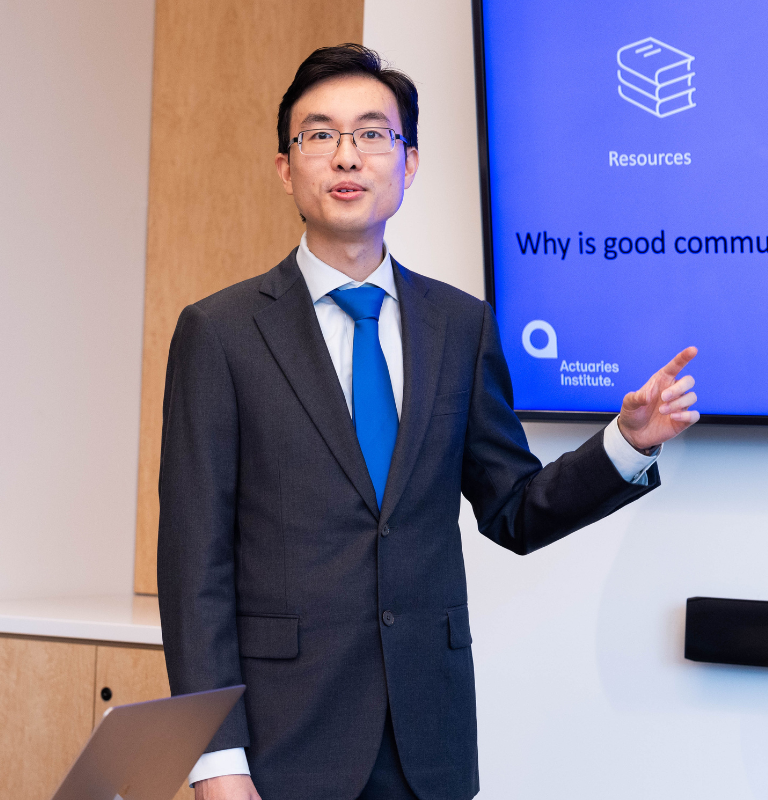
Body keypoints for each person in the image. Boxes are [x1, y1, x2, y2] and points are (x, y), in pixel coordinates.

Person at [157, 44, 699, 800]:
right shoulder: (220, 334)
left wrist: (626, 445)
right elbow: (194, 569)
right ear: (286, 167)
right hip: (283, 746)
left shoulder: (460, 325)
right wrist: (218, 762)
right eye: (319, 134)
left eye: (372, 134)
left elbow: (512, 509)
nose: (347, 155)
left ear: (408, 164)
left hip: (427, 745)